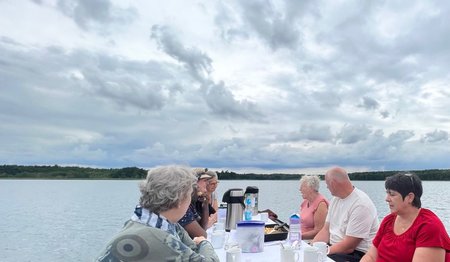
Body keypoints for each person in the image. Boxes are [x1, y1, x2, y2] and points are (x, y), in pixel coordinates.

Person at [96, 165, 219, 262]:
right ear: (180, 199)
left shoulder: (147, 221)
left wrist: (199, 244)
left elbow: (191, 247)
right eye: (189, 195)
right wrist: (204, 242)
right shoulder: (157, 237)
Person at [361, 173, 450, 262]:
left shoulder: (429, 226)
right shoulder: (388, 220)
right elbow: (371, 257)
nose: (387, 199)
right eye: (387, 193)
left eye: (392, 194)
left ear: (410, 197)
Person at [312, 166, 379, 262]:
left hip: (357, 254)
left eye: (327, 184)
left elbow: (349, 246)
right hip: (334, 248)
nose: (327, 187)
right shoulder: (336, 199)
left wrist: (323, 251)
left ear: (333, 183)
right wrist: (311, 247)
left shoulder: (361, 204)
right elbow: (325, 230)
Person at [178, 168, 213, 238]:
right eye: (204, 181)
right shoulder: (182, 204)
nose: (207, 184)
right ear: (194, 183)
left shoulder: (191, 204)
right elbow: (202, 235)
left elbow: (203, 227)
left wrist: (205, 204)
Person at [299, 175, 329, 240]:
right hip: (301, 238)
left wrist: (298, 237)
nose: (300, 189)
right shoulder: (305, 202)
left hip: (310, 241)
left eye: (302, 187)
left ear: (311, 188)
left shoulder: (321, 204)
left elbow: (319, 231)